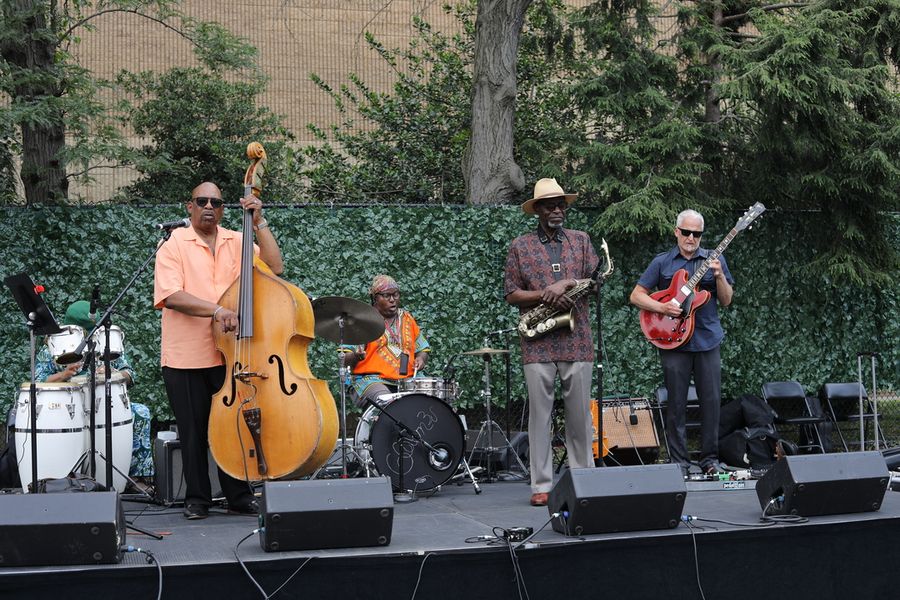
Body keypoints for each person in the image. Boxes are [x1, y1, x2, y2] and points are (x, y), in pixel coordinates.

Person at [153, 182, 284, 520]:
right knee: (194, 432)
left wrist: (259, 222)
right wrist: (217, 310)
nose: (209, 206)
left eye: (216, 202)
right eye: (202, 201)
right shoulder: (173, 244)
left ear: (224, 209)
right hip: (185, 356)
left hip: (232, 354)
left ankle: (238, 495)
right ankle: (197, 499)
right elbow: (171, 295)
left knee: (233, 426)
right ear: (189, 206)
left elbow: (275, 267)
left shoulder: (236, 240)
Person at [504, 178, 599, 507]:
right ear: (538, 210)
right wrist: (545, 295)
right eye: (550, 205)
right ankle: (541, 485)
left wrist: (567, 284)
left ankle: (582, 479)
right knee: (540, 418)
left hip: (578, 340)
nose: (557, 209)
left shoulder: (582, 241)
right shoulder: (520, 245)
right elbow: (512, 293)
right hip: (537, 344)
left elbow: (595, 281)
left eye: (561, 204)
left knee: (579, 418)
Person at [629, 209, 734, 476]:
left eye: (696, 234)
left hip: (707, 339)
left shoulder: (714, 259)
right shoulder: (662, 262)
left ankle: (710, 459)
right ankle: (679, 462)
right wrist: (661, 309)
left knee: (711, 402)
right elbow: (637, 295)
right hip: (673, 341)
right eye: (686, 232)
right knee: (675, 403)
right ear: (676, 231)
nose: (690, 238)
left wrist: (720, 276)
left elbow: (726, 300)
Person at [35, 300, 153, 483]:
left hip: (104, 404)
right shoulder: (54, 346)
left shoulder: (105, 340)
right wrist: (65, 374)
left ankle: (137, 478)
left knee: (141, 412)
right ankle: (62, 480)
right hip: (68, 408)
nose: (89, 334)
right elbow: (39, 381)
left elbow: (130, 374)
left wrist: (113, 372)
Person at [342, 274, 430, 407]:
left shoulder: (407, 318)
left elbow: (422, 349)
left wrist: (421, 359)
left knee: (433, 399)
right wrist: (355, 356)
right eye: (387, 296)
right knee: (387, 400)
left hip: (409, 380)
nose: (392, 299)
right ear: (375, 298)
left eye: (395, 295)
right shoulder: (362, 320)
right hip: (371, 380)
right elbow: (343, 358)